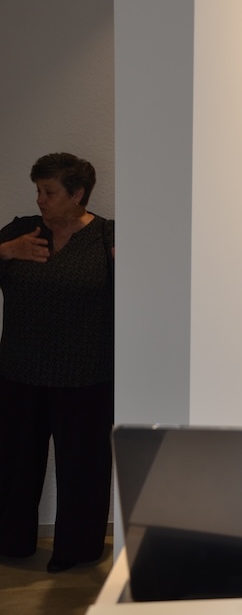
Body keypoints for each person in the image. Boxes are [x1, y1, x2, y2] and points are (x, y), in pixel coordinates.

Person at [0, 152, 115, 573]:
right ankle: (11, 543)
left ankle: (77, 550)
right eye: (38, 190)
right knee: (14, 465)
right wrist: (5, 251)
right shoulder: (21, 230)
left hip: (86, 376)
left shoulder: (106, 235)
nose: (40, 200)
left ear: (77, 194)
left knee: (83, 468)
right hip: (19, 372)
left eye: (49, 192)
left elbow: (146, 289)